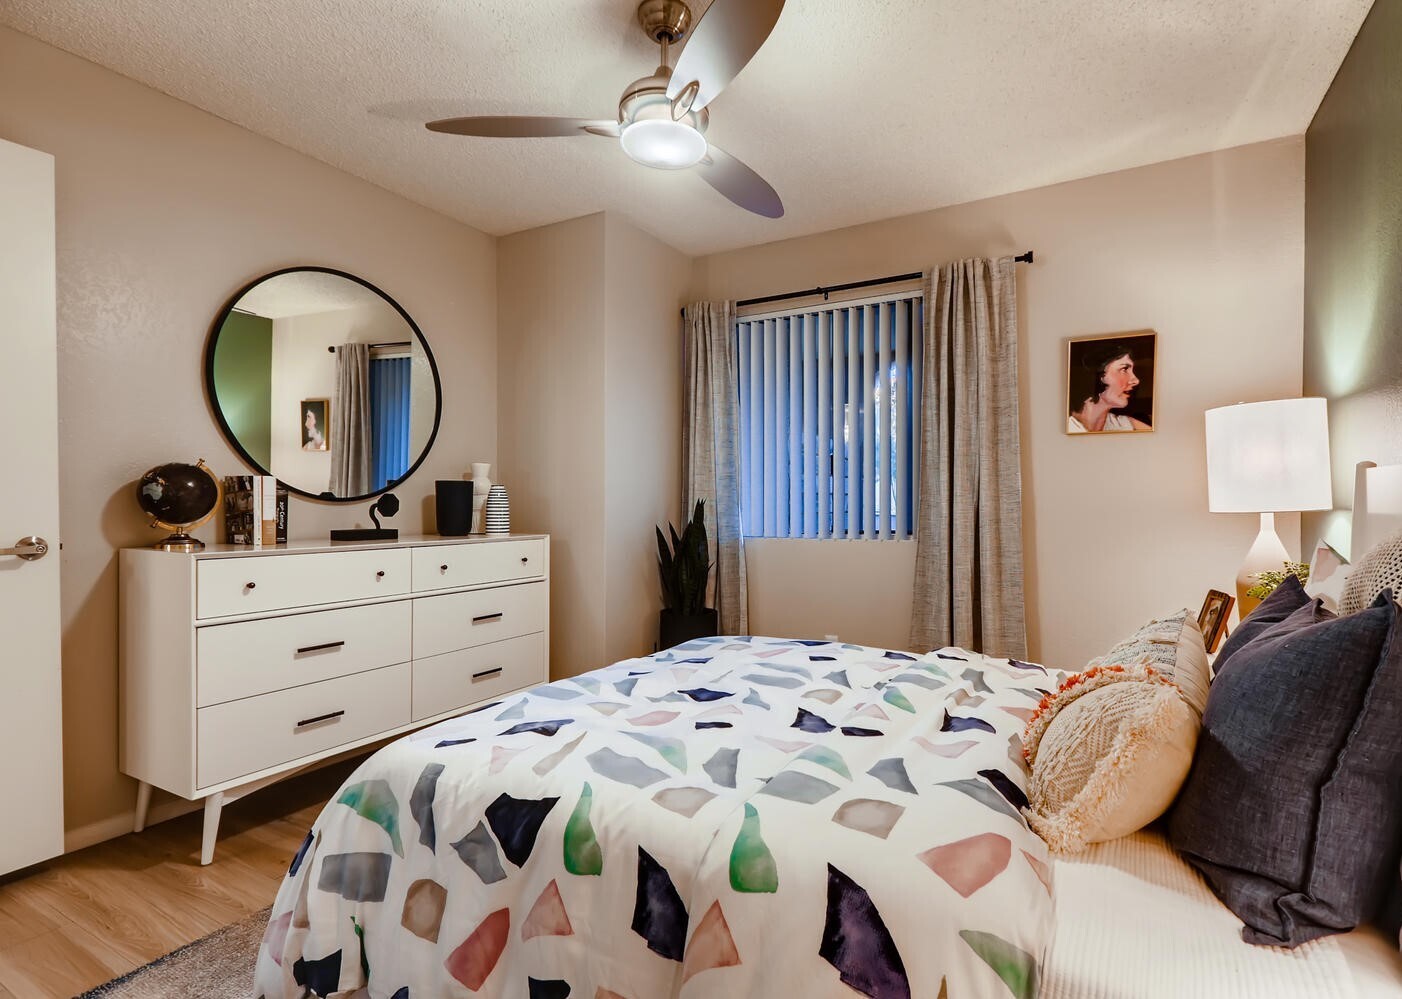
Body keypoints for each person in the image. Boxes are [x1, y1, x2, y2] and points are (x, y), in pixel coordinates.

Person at [1067, 340, 1152, 433]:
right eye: (1124, 369)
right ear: (1098, 376)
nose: (1136, 380)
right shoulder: (1068, 426)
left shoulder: (1124, 424)